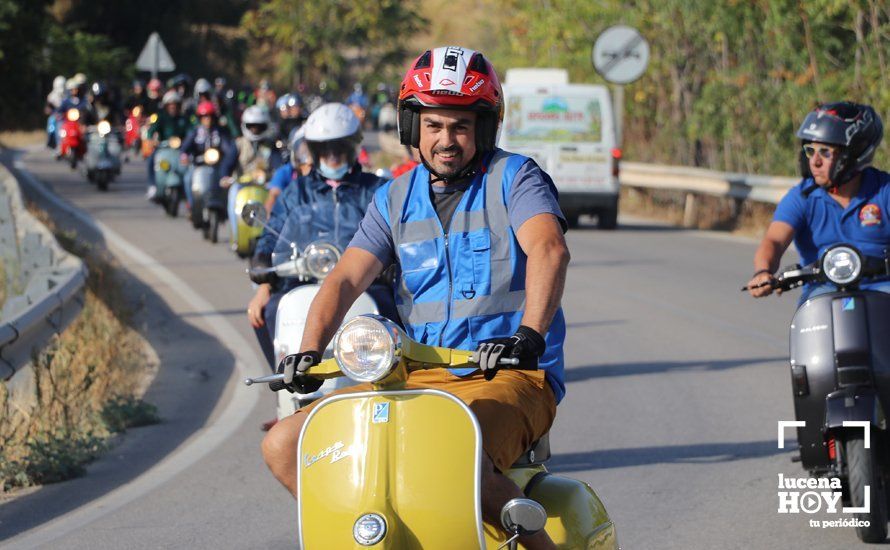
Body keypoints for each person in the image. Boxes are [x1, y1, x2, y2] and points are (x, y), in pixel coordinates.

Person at [261, 47, 569, 550]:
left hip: (511, 373)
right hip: (417, 375)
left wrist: (528, 337)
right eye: (434, 126)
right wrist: (307, 352)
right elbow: (342, 281)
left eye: (461, 126)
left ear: (484, 129)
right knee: (283, 444)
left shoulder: (517, 178)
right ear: (412, 129)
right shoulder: (393, 198)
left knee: (450, 452)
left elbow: (549, 250)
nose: (447, 140)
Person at [247, 103, 389, 372]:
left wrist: (393, 267)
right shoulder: (296, 192)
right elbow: (272, 232)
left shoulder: (376, 190)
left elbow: (397, 234)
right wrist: (262, 262)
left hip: (366, 284)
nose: (331, 155)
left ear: (352, 147)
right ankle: (283, 384)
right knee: (265, 312)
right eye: (324, 148)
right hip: (301, 280)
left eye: (338, 147)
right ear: (313, 150)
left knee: (395, 313)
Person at [747, 102, 889, 303]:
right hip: (822, 296)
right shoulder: (802, 197)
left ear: (854, 153)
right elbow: (774, 241)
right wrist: (763, 271)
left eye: (825, 151)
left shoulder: (884, 191)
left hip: (882, 291)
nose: (815, 161)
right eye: (810, 150)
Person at [179, 100, 237, 208]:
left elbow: (228, 148)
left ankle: (225, 205)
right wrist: (184, 155)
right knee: (188, 179)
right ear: (200, 118)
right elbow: (185, 147)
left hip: (217, 165)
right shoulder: (196, 132)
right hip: (198, 165)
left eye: (210, 116)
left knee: (226, 180)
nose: (207, 119)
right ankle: (192, 205)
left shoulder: (220, 132)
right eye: (204, 116)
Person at [145, 90, 192, 200]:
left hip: (181, 149)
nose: (173, 107)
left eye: (175, 105)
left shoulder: (184, 119)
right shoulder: (161, 117)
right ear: (166, 106)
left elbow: (191, 132)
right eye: (170, 105)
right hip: (163, 148)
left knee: (190, 164)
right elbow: (151, 131)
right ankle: (152, 186)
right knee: (151, 160)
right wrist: (151, 141)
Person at [265, 127, 312, 213]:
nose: (308, 160)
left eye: (312, 152)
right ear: (294, 153)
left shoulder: (328, 179)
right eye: (303, 153)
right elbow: (274, 196)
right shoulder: (284, 172)